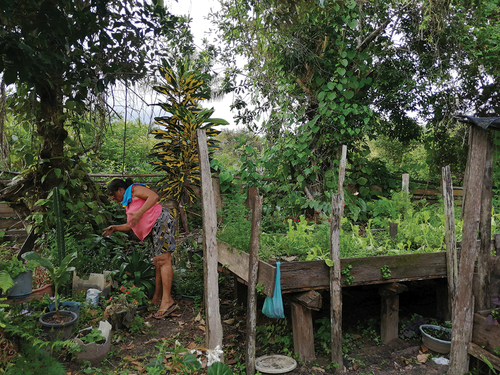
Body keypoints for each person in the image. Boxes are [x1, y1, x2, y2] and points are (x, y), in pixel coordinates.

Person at [103, 178, 178, 319]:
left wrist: (139, 213)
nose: (112, 198)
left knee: (163, 259)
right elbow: (130, 225)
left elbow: (154, 197)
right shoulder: (128, 204)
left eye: (113, 195)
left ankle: (167, 300)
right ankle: (157, 297)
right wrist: (115, 228)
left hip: (161, 221)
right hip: (154, 228)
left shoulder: (134, 189)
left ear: (120, 190)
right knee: (157, 262)